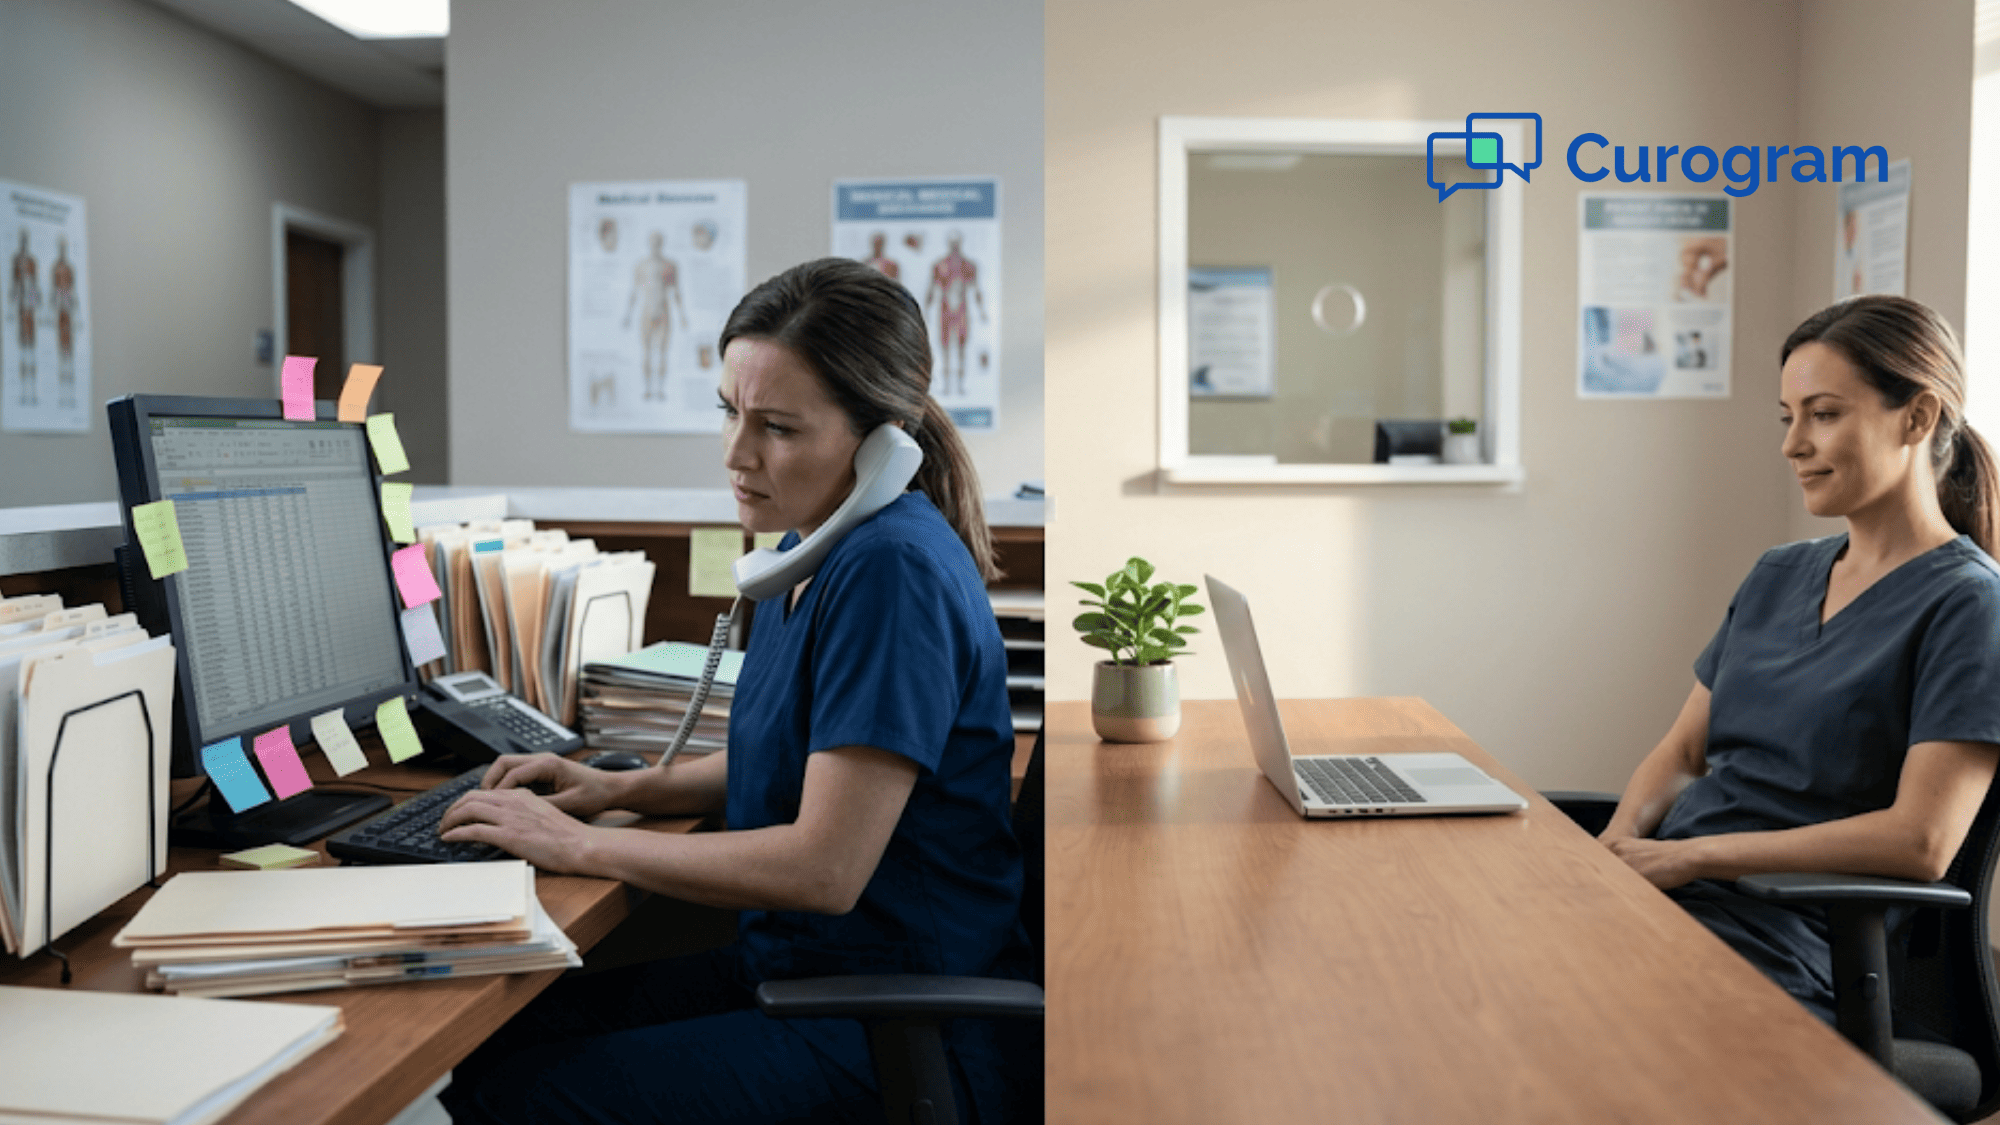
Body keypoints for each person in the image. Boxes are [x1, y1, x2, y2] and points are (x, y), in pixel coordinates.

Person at [438, 257, 1033, 1124]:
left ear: (883, 442)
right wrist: (617, 788)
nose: (735, 453)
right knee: (498, 1038)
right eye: (729, 411)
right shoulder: (810, 545)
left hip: (902, 1018)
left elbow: (825, 866)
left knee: (521, 1098)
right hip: (808, 970)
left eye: (778, 428)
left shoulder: (890, 572)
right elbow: (798, 755)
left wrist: (581, 844)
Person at [1598, 294, 2000, 1031]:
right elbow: (1682, 754)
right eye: (1788, 418)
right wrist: (1612, 855)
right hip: (1676, 900)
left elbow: (1922, 841)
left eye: (1823, 414)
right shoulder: (1777, 574)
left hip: (1789, 940)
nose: (1793, 445)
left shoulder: (1971, 605)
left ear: (1917, 417)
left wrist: (1697, 857)